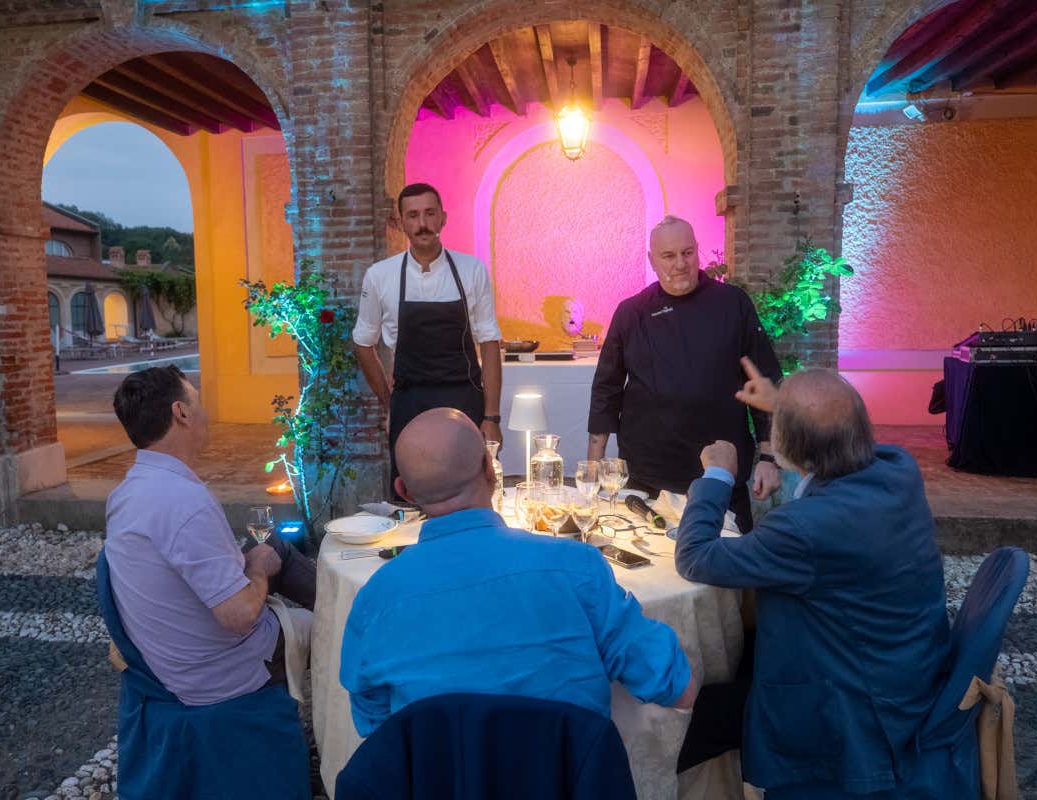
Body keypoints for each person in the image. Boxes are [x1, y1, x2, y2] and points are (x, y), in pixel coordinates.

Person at [675, 360, 952, 798]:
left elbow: (695, 558)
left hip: (854, 709)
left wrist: (717, 474)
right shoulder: (897, 468)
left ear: (787, 451)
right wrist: (783, 406)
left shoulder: (805, 527)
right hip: (904, 674)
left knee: (683, 716)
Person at [339, 407, 697, 737]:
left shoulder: (376, 597)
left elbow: (374, 726)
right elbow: (677, 689)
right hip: (568, 781)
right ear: (490, 470)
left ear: (403, 491)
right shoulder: (577, 568)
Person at [103, 365, 317, 709]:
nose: (206, 412)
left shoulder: (126, 492)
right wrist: (259, 570)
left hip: (172, 653)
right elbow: (239, 617)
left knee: (274, 545)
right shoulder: (185, 504)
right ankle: (356, 625)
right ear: (181, 412)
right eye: (198, 401)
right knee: (329, 627)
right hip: (220, 671)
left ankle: (348, 603)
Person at [587, 216, 782, 532]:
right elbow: (606, 390)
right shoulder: (631, 312)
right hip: (647, 476)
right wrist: (593, 468)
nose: (680, 264)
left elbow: (763, 381)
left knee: (726, 570)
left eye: (688, 253)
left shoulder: (733, 303)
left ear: (697, 251)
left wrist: (769, 459)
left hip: (722, 474)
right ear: (652, 260)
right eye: (669, 256)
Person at [353, 183, 504, 493]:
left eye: (429, 213)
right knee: (412, 493)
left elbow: (489, 342)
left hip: (465, 400)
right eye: (413, 215)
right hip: (411, 404)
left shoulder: (472, 270)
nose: (422, 224)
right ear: (401, 223)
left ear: (443, 218)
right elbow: (362, 342)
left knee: (471, 491)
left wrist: (491, 416)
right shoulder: (380, 276)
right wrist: (389, 402)